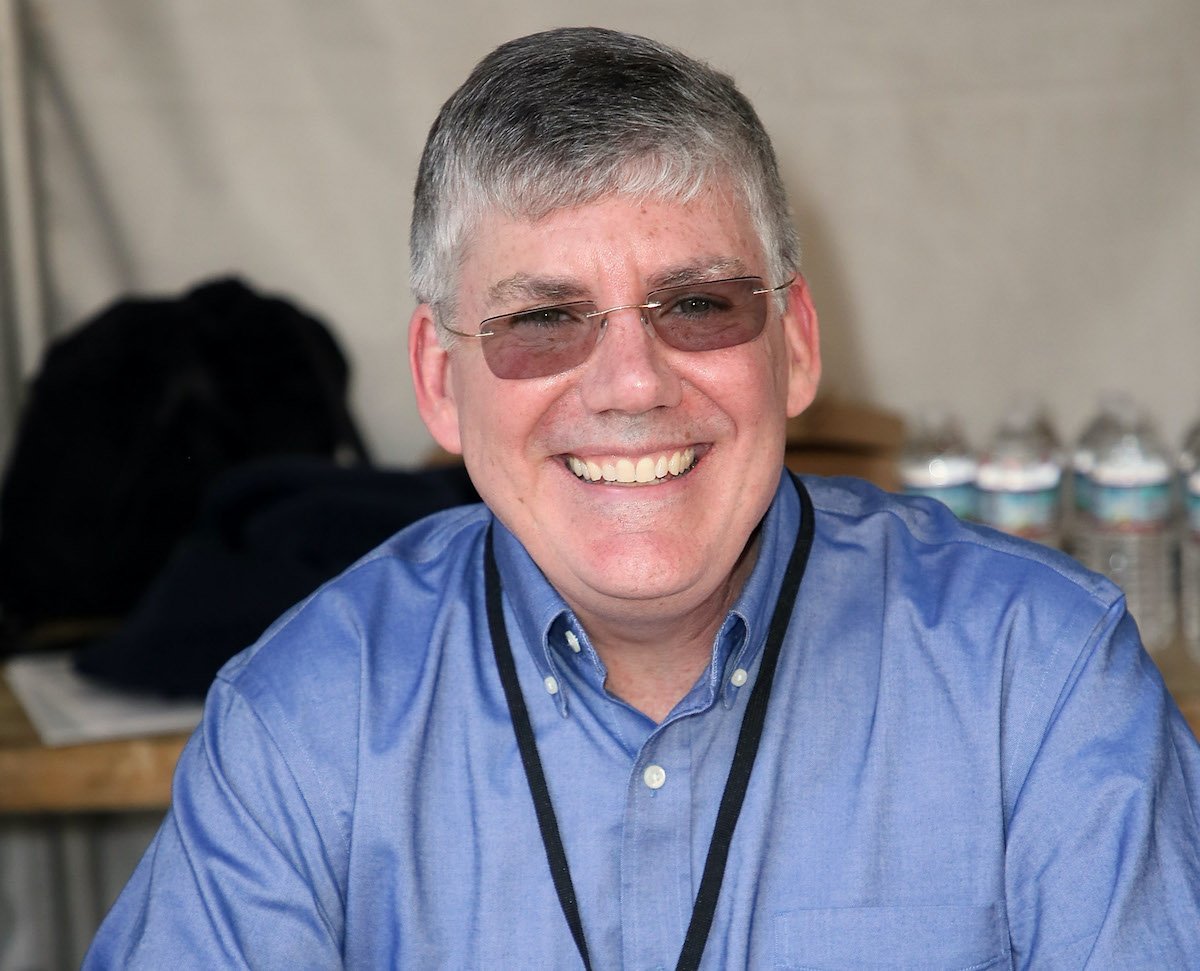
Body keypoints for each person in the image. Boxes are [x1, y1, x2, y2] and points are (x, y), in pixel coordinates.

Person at [85, 27, 1200, 969]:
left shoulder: (1041, 679)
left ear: (797, 344)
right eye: (542, 319)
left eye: (700, 304)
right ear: (438, 379)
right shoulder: (303, 724)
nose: (631, 383)